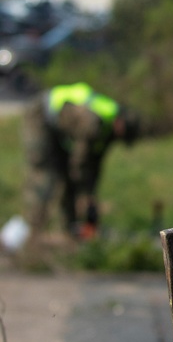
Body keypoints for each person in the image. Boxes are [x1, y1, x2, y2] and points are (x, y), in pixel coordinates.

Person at [23, 81, 139, 238]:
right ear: (120, 126)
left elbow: (95, 163)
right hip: (41, 116)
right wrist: (85, 198)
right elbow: (79, 164)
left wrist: (90, 195)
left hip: (63, 128)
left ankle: (68, 231)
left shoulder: (109, 125)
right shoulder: (93, 123)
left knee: (69, 179)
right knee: (46, 176)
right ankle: (33, 233)